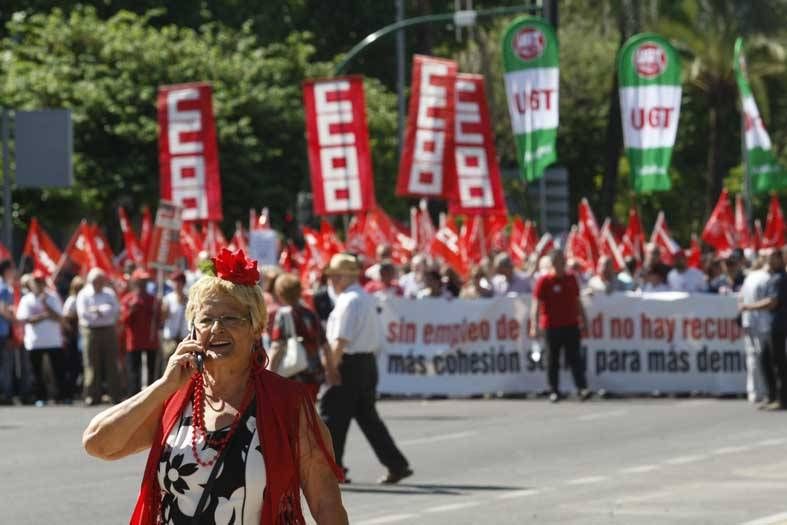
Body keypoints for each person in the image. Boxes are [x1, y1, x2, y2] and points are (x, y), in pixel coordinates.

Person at [82, 248, 347, 524]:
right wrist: (162, 385)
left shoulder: (287, 403)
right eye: (206, 320)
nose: (217, 328)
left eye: (231, 318)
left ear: (256, 328)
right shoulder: (173, 400)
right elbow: (97, 444)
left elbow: (325, 502)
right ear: (193, 331)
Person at [319, 253, 412, 484]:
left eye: (333, 277)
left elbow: (341, 340)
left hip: (348, 364)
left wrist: (331, 366)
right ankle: (396, 464)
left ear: (342, 277)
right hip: (365, 363)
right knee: (368, 419)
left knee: (332, 418)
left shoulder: (349, 301)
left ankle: (334, 468)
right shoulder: (364, 297)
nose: (330, 281)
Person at [529, 249, 590, 403]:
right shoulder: (544, 281)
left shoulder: (571, 279)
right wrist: (534, 324)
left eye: (561, 260)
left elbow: (578, 302)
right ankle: (554, 390)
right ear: (552, 263)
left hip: (571, 324)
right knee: (552, 360)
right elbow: (536, 304)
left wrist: (584, 320)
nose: (559, 263)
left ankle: (582, 388)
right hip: (551, 326)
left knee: (575, 358)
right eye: (556, 260)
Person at [268, 273, 331, 403]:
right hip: (313, 373)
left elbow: (277, 346)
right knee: (308, 413)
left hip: (293, 373)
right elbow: (325, 344)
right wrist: (331, 369)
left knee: (291, 415)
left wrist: (269, 373)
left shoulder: (283, 314)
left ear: (280, 293)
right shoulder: (311, 313)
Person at [742, 248, 787, 410]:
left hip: (778, 325)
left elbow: (772, 302)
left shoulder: (780, 279)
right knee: (765, 359)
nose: (769, 261)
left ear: (780, 259)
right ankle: (772, 396)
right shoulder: (773, 277)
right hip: (772, 325)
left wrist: (749, 306)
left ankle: (782, 399)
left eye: (772, 258)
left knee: (778, 363)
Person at [16, 271, 68, 405]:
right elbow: (25, 319)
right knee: (36, 373)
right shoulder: (26, 299)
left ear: (44, 283)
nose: (38, 285)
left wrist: (46, 305)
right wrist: (43, 316)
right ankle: (40, 397)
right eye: (36, 282)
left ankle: (61, 396)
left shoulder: (53, 297)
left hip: (53, 341)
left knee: (58, 371)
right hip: (35, 342)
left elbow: (59, 318)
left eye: (41, 282)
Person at [76, 268, 122, 405]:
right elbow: (83, 314)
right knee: (91, 363)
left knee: (111, 363)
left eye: (101, 281)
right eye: (96, 281)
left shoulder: (109, 293)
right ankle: (91, 395)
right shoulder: (84, 294)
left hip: (108, 330)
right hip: (90, 330)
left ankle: (115, 395)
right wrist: (102, 311)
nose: (99, 284)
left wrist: (99, 311)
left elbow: (115, 310)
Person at [122, 269, 162, 396]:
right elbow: (124, 321)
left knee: (151, 371)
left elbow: (159, 320)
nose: (143, 284)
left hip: (150, 341)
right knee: (134, 371)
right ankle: (133, 396)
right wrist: (132, 310)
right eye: (141, 281)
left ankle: (151, 396)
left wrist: (159, 308)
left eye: (145, 282)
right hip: (134, 341)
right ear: (135, 282)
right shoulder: (128, 300)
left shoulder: (153, 300)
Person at [738, 255, 771, 404]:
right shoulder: (767, 278)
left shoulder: (750, 277)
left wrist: (745, 308)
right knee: (765, 358)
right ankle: (765, 390)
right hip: (762, 322)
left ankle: (753, 391)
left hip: (749, 320)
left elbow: (740, 297)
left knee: (752, 356)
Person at [62, 275, 85, 401]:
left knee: (83, 365)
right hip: (74, 338)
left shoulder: (85, 298)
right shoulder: (71, 300)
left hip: (83, 336)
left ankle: (82, 389)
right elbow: (66, 318)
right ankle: (71, 391)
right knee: (73, 366)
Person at [161, 271, 188, 373]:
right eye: (175, 282)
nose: (177, 285)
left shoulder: (189, 299)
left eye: (179, 282)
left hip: (183, 339)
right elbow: (163, 318)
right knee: (168, 369)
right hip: (170, 339)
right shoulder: (168, 299)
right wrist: (163, 309)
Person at [0, 260, 16, 405]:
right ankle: (5, 394)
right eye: (12, 269)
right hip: (2, 331)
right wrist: (14, 320)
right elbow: (3, 309)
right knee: (5, 364)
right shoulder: (4, 288)